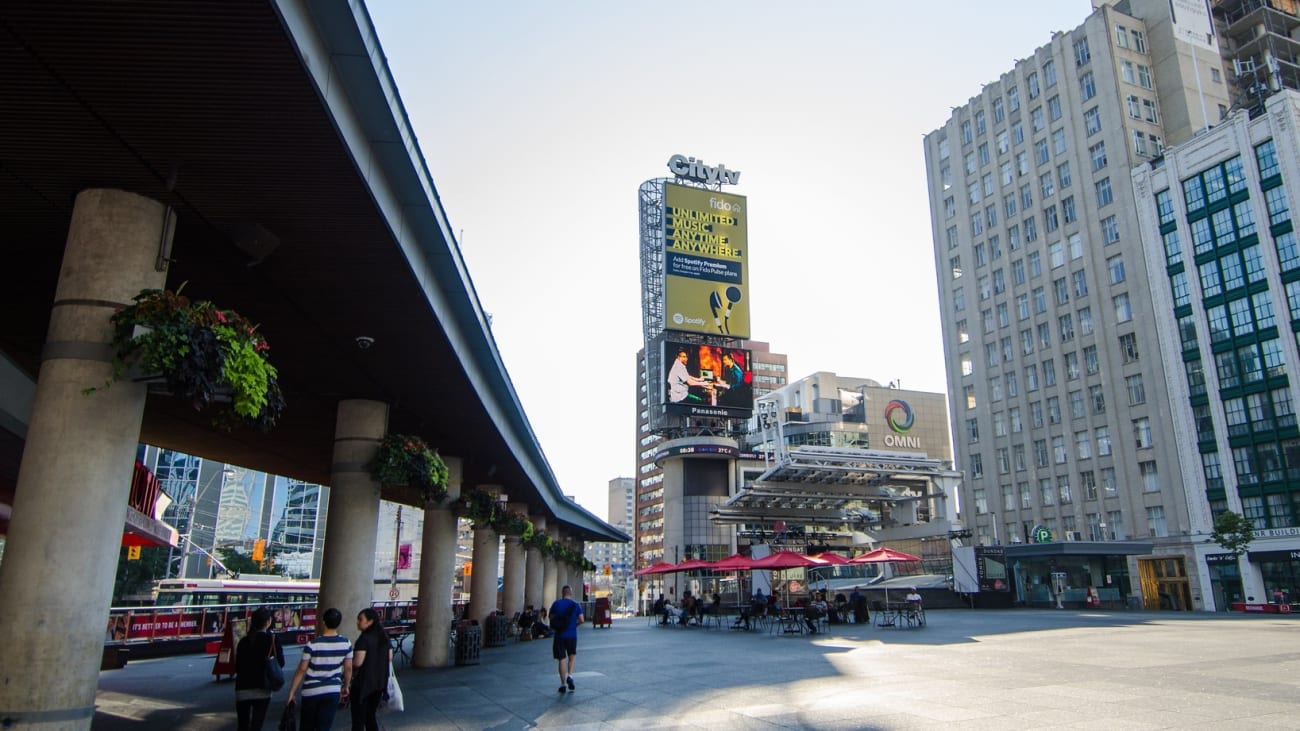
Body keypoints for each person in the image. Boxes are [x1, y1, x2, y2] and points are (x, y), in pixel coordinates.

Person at [286, 607, 353, 731]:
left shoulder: (312, 644)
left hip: (311, 691)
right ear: (339, 623)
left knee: (307, 726)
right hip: (332, 690)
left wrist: (292, 692)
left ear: (323, 621)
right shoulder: (346, 643)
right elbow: (348, 668)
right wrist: (346, 686)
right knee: (323, 727)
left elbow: (302, 669)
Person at [234, 607, 284, 731]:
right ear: (267, 622)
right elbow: (281, 663)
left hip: (242, 687)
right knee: (257, 725)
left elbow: (237, 666)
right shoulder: (271, 640)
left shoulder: (243, 641)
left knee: (243, 726)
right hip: (263, 687)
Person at [349, 608, 391, 731]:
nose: (358, 622)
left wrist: (348, 665)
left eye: (361, 619)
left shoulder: (364, 639)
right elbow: (390, 657)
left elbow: (358, 662)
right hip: (379, 683)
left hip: (363, 684)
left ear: (370, 621)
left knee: (358, 719)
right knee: (370, 716)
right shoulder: (383, 637)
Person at [548, 584, 585, 693]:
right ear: (571, 593)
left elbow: (551, 618)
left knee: (561, 659)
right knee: (572, 656)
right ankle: (570, 675)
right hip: (572, 635)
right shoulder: (575, 605)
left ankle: (563, 684)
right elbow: (582, 620)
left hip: (559, 635)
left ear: (562, 593)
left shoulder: (556, 604)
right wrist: (574, 625)